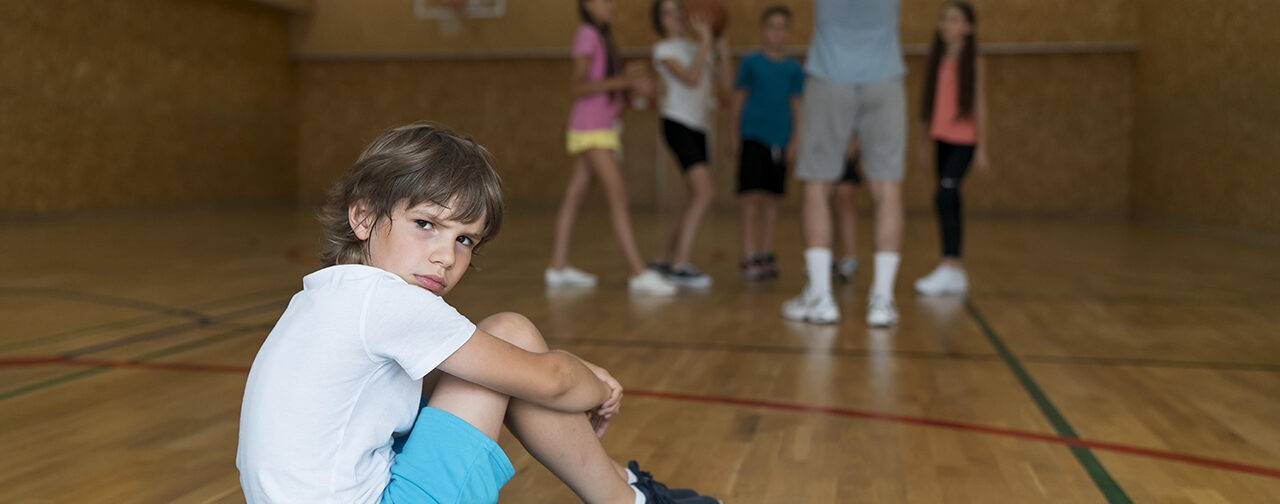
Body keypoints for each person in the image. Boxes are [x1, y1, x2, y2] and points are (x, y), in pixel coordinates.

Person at [237, 122, 717, 504]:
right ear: (362, 217)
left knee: (497, 358)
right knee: (511, 334)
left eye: (464, 239)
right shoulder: (389, 301)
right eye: (426, 225)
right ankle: (625, 499)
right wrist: (598, 383)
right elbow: (553, 381)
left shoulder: (325, 296)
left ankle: (621, 485)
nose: (446, 255)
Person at [782, 0, 907, 326]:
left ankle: (822, 296)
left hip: (829, 78)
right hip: (885, 80)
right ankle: (882, 299)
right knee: (887, 187)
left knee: (817, 184)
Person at [548, 0, 678, 296]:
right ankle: (637, 272)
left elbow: (605, 87)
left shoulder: (602, 37)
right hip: (591, 130)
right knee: (618, 195)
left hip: (599, 128)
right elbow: (577, 87)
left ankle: (557, 266)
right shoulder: (587, 34)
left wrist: (631, 88)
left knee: (575, 194)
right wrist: (623, 79)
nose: (613, 4)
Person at [648, 0, 733, 288]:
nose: (675, 17)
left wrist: (720, 46)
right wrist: (707, 43)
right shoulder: (663, 50)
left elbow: (726, 84)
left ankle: (662, 257)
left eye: (678, 11)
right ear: (659, 21)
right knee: (705, 193)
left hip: (699, 127)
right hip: (677, 124)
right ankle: (680, 265)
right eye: (667, 13)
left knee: (695, 196)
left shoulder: (699, 47)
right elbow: (692, 79)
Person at [914, 0, 988, 296]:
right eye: (944, 19)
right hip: (940, 139)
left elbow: (981, 105)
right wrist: (921, 145)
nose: (947, 24)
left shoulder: (974, 61)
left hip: (965, 142)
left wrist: (982, 146)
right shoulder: (938, 60)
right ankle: (955, 270)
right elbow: (928, 107)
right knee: (951, 199)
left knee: (944, 195)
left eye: (955, 19)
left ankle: (948, 264)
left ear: (968, 27)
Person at [728, 5, 804, 281]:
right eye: (772, 26)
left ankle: (765, 253)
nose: (776, 32)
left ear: (788, 32)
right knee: (751, 198)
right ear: (763, 31)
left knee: (773, 200)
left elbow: (797, 105)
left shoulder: (794, 68)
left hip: (780, 140)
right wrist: (734, 134)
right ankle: (748, 255)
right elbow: (738, 100)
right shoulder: (750, 63)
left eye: (782, 27)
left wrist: (795, 139)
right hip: (752, 136)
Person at [833, 137, 863, 282]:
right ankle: (827, 255)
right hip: (823, 139)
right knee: (823, 201)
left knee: (844, 196)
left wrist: (854, 138)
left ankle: (849, 256)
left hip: (845, 140)